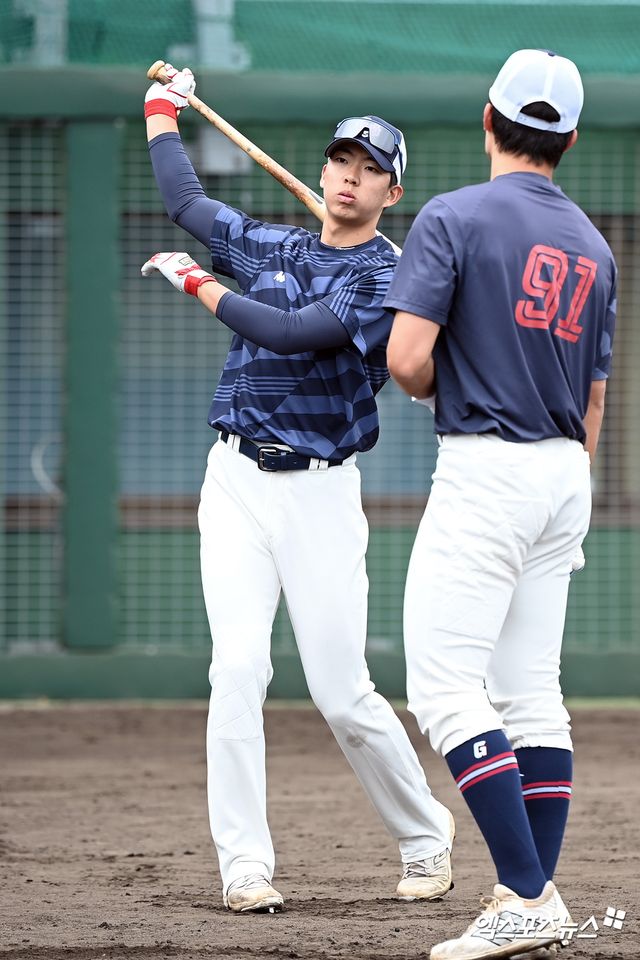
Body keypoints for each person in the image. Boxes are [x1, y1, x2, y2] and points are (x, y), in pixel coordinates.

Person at [141, 65, 454, 914]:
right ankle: (245, 866)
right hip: (236, 479)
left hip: (319, 494)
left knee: (341, 692)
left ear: (392, 188)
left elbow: (286, 331)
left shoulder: (388, 280)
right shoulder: (275, 245)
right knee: (236, 669)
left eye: (370, 166)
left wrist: (198, 283)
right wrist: (161, 112)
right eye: (340, 161)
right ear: (322, 173)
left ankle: (427, 839)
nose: (350, 175)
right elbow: (187, 204)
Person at [384, 49, 617, 959]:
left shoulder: (453, 215)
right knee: (532, 694)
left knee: (445, 687)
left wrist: (450, 368)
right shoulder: (596, 246)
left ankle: (526, 893)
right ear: (567, 138)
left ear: (489, 122)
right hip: (567, 472)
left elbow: (406, 363)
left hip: (489, 469)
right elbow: (595, 399)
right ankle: (530, 898)